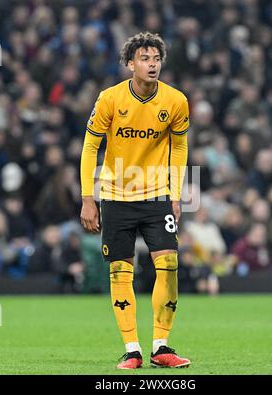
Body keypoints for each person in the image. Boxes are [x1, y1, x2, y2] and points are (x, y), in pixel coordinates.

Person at [80, 32, 190, 369]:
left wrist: (175, 193)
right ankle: (132, 350)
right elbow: (90, 147)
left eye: (156, 58)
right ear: (131, 64)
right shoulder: (110, 100)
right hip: (116, 195)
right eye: (144, 58)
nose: (152, 64)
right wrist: (88, 197)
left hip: (157, 195)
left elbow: (180, 148)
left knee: (168, 266)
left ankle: (161, 346)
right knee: (120, 273)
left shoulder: (176, 101)